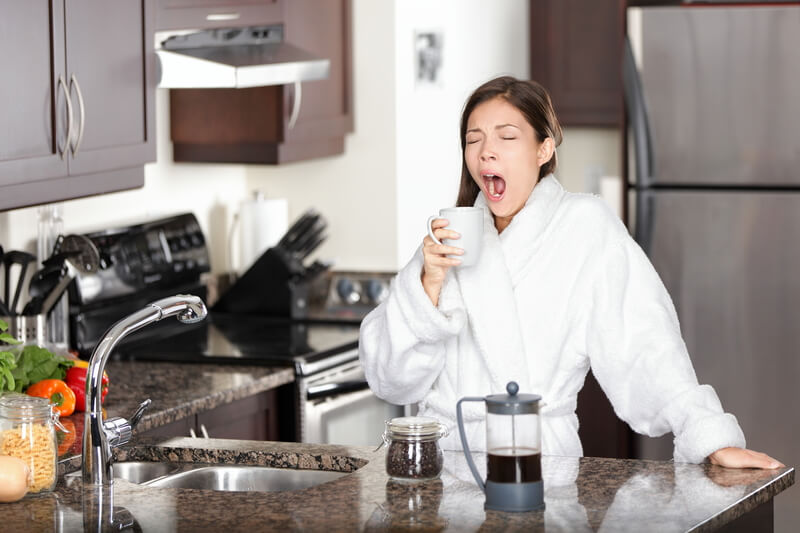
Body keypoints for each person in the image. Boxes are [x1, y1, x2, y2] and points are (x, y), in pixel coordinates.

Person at [359, 76, 783, 469]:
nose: (486, 150)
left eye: (507, 136)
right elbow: (390, 381)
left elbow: (645, 341)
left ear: (543, 150)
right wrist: (427, 286)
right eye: (474, 140)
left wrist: (708, 436)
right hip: (442, 472)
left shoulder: (585, 227)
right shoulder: (450, 239)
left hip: (539, 469)